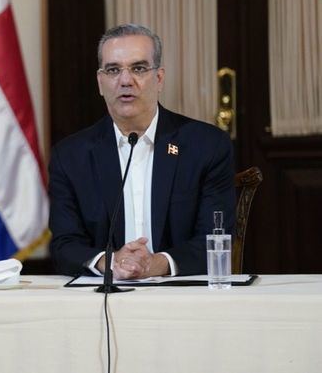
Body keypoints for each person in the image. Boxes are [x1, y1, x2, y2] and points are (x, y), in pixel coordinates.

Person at [49, 24, 236, 278]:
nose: (126, 81)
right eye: (113, 70)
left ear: (159, 79)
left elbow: (216, 238)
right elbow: (64, 245)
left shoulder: (206, 146)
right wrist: (110, 262)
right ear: (100, 82)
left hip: (184, 299)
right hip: (103, 299)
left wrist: (155, 264)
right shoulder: (70, 156)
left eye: (138, 68)